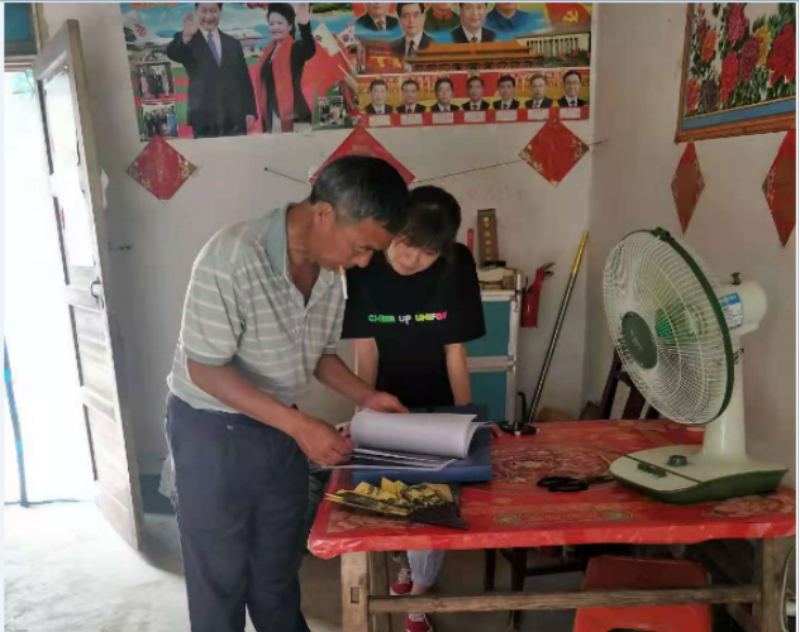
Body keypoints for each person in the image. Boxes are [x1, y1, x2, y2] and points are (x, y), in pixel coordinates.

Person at [166, 156, 410, 632]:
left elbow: (318, 355)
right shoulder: (234, 257)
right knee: (220, 580)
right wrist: (299, 425)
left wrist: (368, 396)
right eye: (361, 248)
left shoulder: (330, 273)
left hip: (278, 427)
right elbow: (206, 370)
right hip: (211, 430)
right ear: (324, 214)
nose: (363, 262)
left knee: (276, 576)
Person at [342, 186, 487, 632]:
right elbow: (366, 350)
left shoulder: (457, 265)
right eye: (407, 244)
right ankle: (404, 562)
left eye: (428, 252)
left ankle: (418, 598)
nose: (412, 259)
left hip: (437, 404)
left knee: (435, 504)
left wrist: (465, 419)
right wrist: (363, 413)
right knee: (390, 497)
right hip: (385, 401)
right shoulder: (364, 265)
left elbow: (455, 351)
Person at [166, 3, 257, 138]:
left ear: (220, 12)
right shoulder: (188, 40)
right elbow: (173, 53)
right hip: (204, 118)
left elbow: (244, 80)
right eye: (204, 11)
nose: (208, 16)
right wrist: (185, 36)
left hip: (234, 117)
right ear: (197, 11)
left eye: (213, 11)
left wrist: (250, 111)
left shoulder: (232, 43)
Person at [254, 3, 318, 134]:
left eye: (280, 23)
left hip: (296, 119)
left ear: (289, 26)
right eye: (271, 23)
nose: (275, 27)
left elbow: (309, 48)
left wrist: (305, 26)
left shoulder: (295, 49)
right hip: (273, 119)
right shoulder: (268, 53)